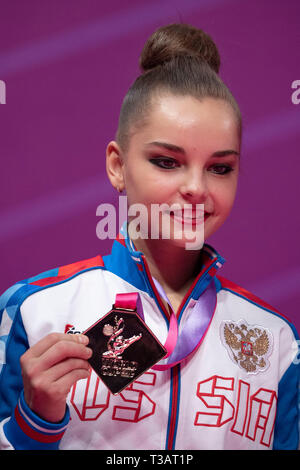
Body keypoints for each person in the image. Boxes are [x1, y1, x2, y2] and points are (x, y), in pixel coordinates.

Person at [0, 23, 299, 451]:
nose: (197, 187)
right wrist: (35, 423)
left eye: (220, 167)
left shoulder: (278, 343)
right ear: (118, 166)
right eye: (167, 161)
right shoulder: (34, 310)